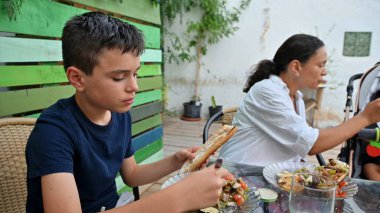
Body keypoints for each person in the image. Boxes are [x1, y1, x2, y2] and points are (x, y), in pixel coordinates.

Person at [25, 12, 228, 213]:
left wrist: (175, 161)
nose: (134, 86)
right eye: (119, 77)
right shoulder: (53, 131)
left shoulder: (118, 114)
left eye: (135, 73)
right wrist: (178, 198)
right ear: (78, 78)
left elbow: (131, 174)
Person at [219, 34, 380, 167]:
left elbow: (298, 147)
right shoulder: (267, 91)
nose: (324, 72)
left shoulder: (297, 99)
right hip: (238, 176)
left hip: (270, 176)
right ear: (296, 67)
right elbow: (313, 144)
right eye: (320, 65)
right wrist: (365, 117)